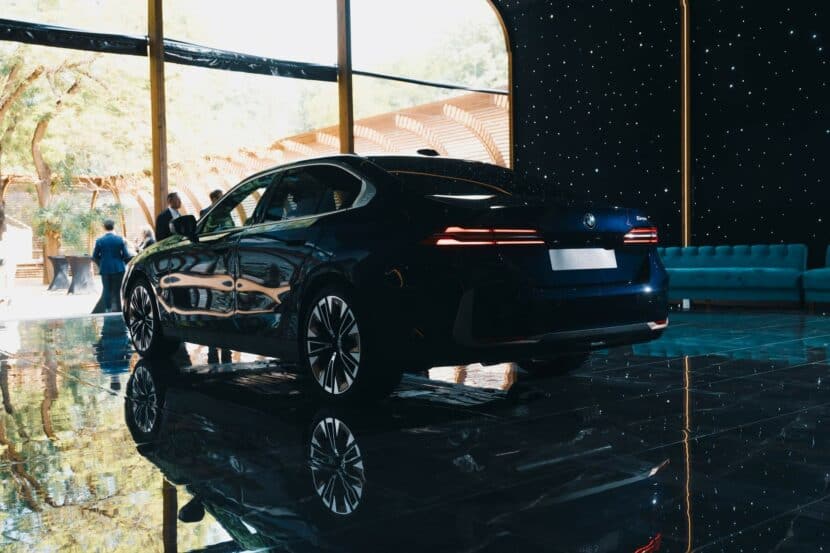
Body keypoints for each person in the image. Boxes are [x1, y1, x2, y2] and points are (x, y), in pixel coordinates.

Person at [92, 219, 131, 313]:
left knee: (106, 289)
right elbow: (127, 256)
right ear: (113, 227)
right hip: (119, 269)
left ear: (104, 228)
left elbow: (94, 256)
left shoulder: (100, 241)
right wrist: (121, 263)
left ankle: (108, 309)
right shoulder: (120, 239)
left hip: (105, 269)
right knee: (117, 290)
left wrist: (101, 263)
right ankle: (118, 310)